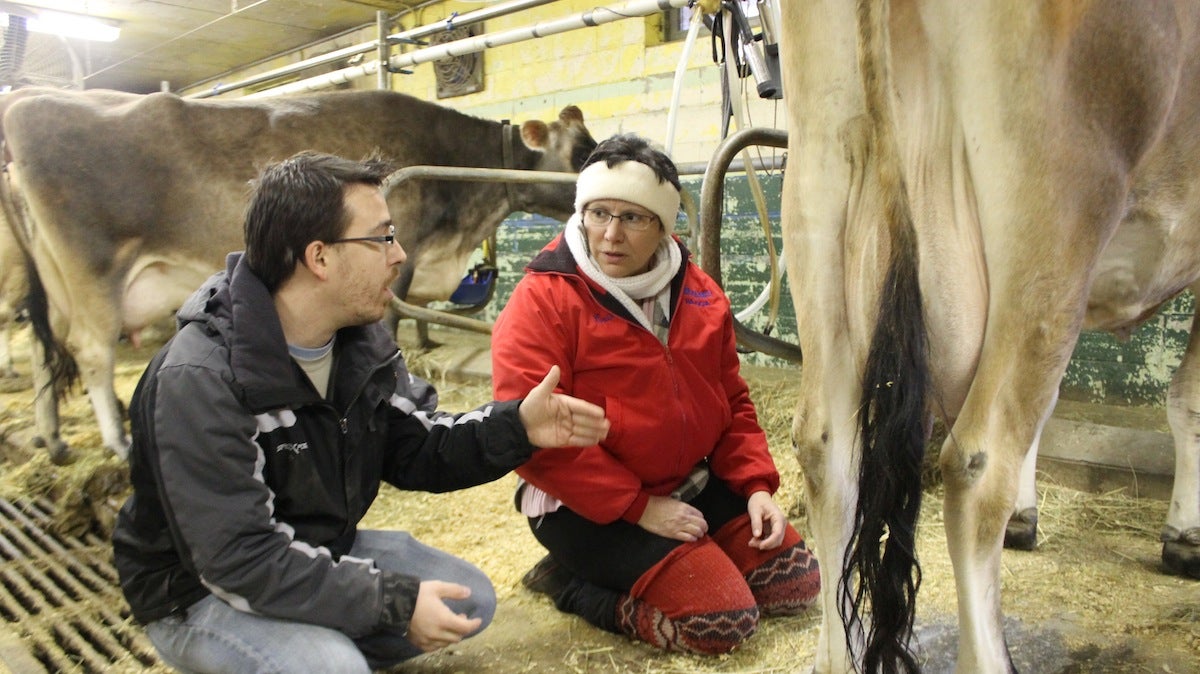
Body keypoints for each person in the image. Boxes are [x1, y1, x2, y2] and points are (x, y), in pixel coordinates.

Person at [111, 150, 610, 674]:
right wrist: (386, 601)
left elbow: (420, 447)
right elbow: (239, 558)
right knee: (332, 667)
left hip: (314, 547)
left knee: (469, 601)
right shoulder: (204, 377)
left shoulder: (357, 344)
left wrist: (519, 425)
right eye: (382, 237)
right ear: (319, 257)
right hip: (197, 590)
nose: (398, 255)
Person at [491, 133, 821, 655]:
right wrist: (639, 508)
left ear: (663, 226)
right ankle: (570, 582)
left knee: (795, 583)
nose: (611, 234)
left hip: (685, 482)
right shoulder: (545, 299)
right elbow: (531, 438)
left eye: (633, 218)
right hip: (587, 506)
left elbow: (732, 401)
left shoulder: (697, 291)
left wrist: (756, 487)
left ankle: (677, 562)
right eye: (598, 213)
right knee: (723, 622)